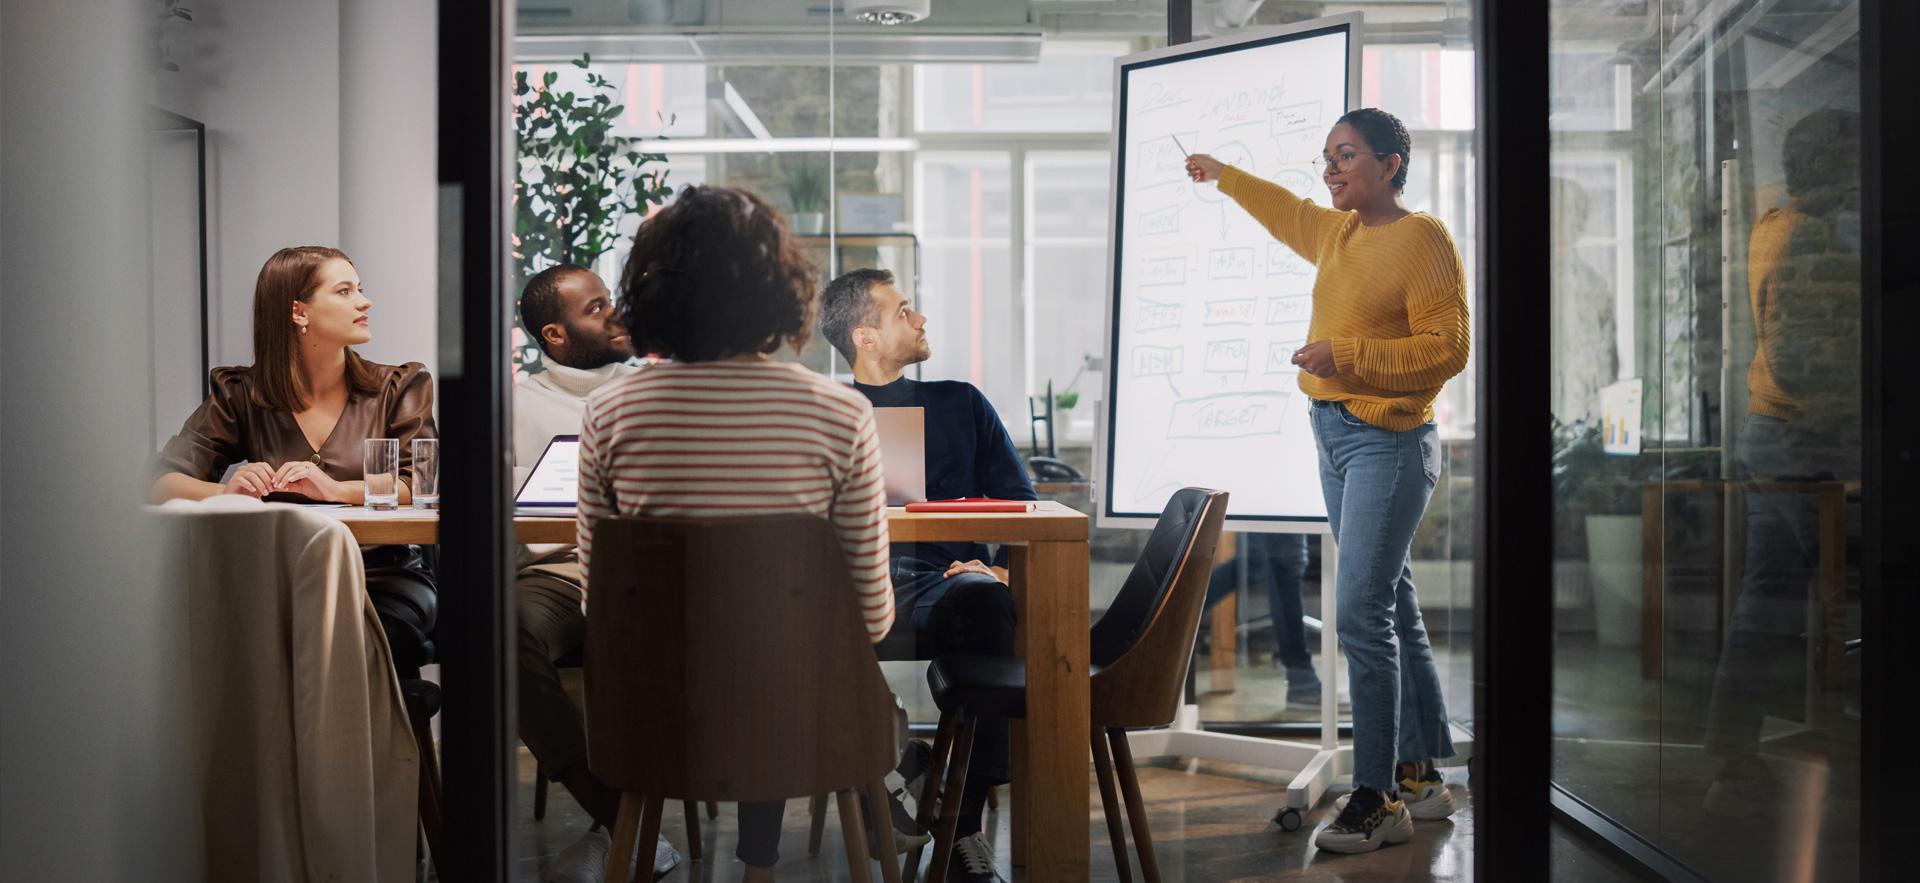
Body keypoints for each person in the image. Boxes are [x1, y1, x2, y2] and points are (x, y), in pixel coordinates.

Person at [575, 185, 896, 883]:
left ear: (651, 292)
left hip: (656, 720)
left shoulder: (608, 413)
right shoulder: (840, 414)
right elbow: (871, 617)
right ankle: (761, 865)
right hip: (809, 719)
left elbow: (597, 604)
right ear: (781, 290)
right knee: (779, 663)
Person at [1187, 107, 1470, 855]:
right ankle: (1417, 770)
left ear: (1391, 163)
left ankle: (1376, 797)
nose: (1331, 169)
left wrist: (1349, 356)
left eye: (1346, 156)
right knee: (1392, 600)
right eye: (1326, 157)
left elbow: (1449, 348)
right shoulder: (1339, 232)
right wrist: (1224, 176)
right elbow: (1289, 212)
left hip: (1392, 438)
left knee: (1359, 611)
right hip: (1336, 435)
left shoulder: (1423, 238)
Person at [819, 267, 1034, 883]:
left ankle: (960, 827)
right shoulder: (826, 409)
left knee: (989, 602)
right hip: (851, 584)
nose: (921, 320)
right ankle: (889, 763)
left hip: (947, 578)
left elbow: (1021, 501)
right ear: (865, 336)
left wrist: (996, 566)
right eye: (904, 311)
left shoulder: (959, 401)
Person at [151, 245, 439, 678]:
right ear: (298, 312)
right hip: (276, 577)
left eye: (359, 289)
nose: (364, 302)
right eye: (344, 291)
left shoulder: (399, 386)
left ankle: (353, 748)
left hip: (380, 575)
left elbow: (419, 485)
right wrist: (227, 490)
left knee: (336, 647)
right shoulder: (240, 394)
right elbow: (160, 480)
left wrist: (335, 490)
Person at [1702, 108, 1861, 812]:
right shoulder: (1813, 242)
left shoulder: (1772, 226)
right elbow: (1806, 359)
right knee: (1846, 594)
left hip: (1770, 430)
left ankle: (1732, 757)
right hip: (1803, 439)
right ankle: (1852, 753)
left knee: (1762, 603)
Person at [508, 264, 681, 883]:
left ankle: (625, 833)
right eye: (597, 307)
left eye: (612, 301)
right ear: (554, 333)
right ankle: (614, 816)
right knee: (501, 633)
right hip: (556, 576)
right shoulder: (512, 405)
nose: (616, 314)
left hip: (646, 577)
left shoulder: (656, 393)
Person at [1202, 533, 1321, 707]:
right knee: (1282, 565)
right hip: (1277, 506)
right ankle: (1303, 684)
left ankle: (1173, 610)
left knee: (1257, 563)